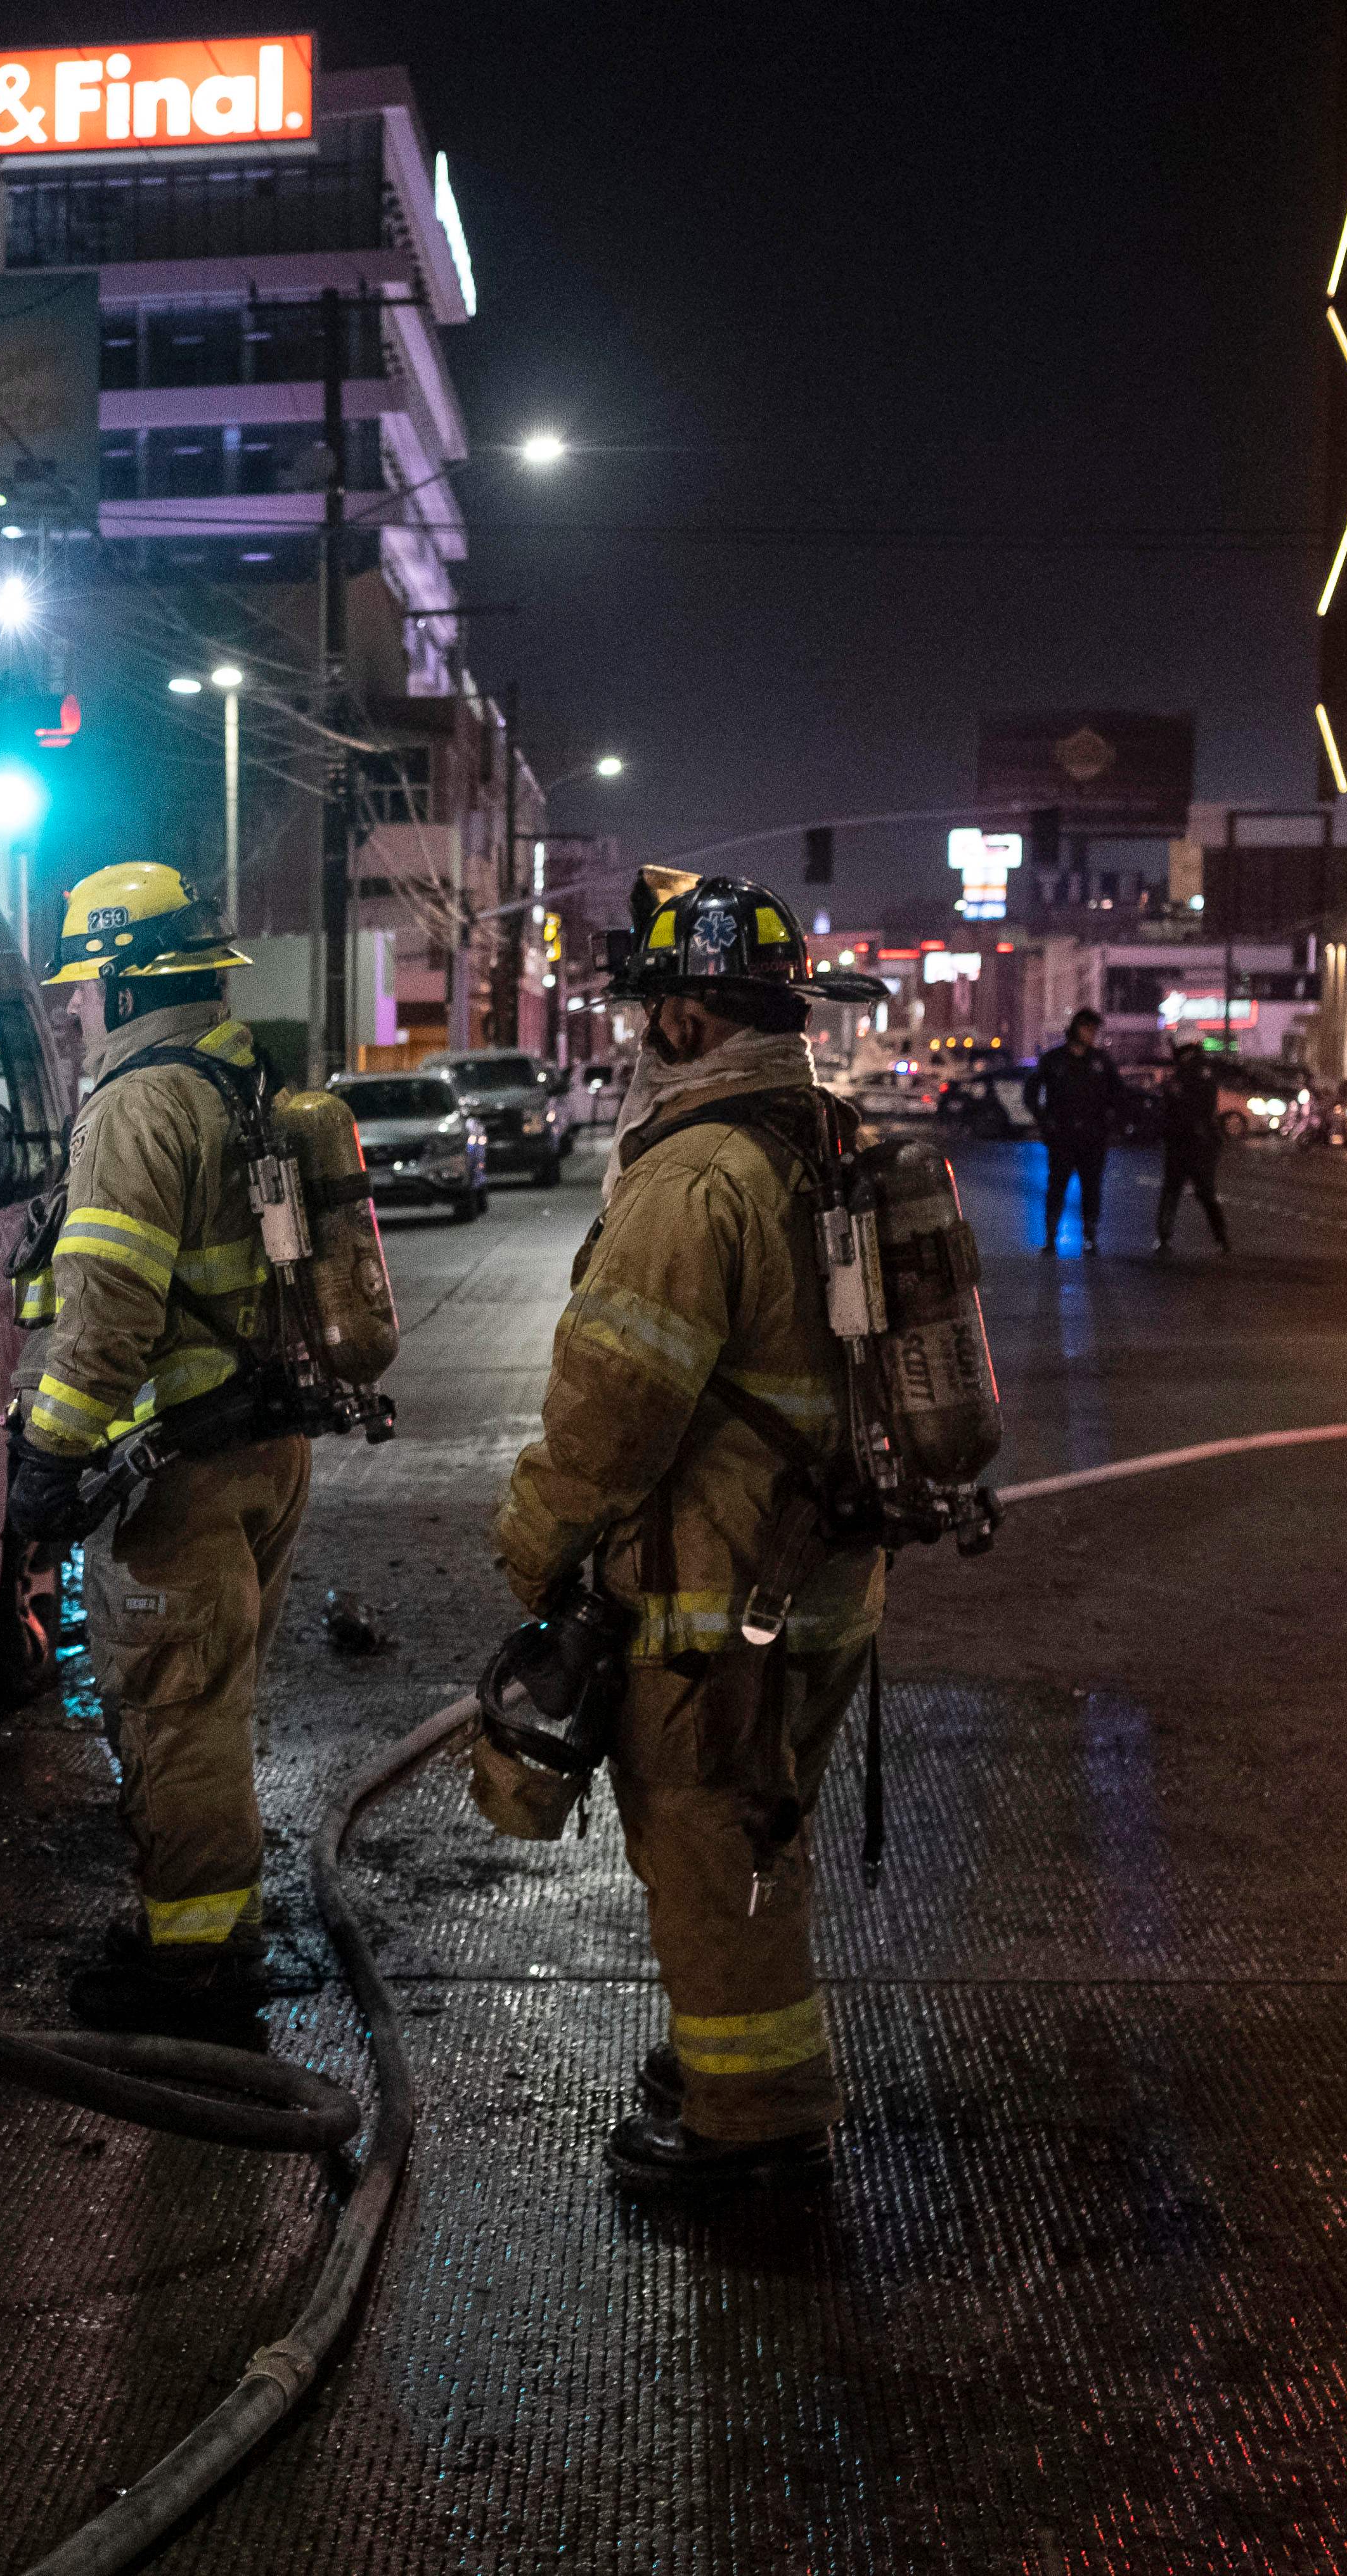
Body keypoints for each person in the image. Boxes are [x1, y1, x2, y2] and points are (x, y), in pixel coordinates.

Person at [492, 869, 889, 2194]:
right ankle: (726, 2065)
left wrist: (532, 1540)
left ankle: (751, 2130)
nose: (637, 1029)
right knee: (759, 1832)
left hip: (719, 1596)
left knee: (710, 1847)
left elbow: (610, 1413)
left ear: (686, 1017)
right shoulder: (828, 1138)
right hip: (826, 1582)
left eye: (651, 1004)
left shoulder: (695, 1177)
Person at [1, 861, 309, 2042]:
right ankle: (207, 1935)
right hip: (260, 1445)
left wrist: (48, 1454)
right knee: (210, 1706)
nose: (74, 1010)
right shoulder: (239, 1074)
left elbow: (112, 1308)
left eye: (84, 989)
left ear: (127, 989)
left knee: (176, 1715)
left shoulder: (137, 1102)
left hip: (176, 1468)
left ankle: (194, 1977)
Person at [1023, 1009, 1122, 1256]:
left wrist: (1110, 1123)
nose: (1091, 1035)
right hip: (1063, 1137)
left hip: (1093, 1137)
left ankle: (1090, 1237)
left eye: (1094, 1030)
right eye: (1088, 1029)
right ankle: (1050, 1235)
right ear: (1076, 1028)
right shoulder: (1054, 1060)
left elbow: (1118, 1093)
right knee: (1057, 1186)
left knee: (1092, 1188)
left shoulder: (1100, 1061)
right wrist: (1045, 1120)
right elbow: (1031, 1091)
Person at [1154, 1043, 1230, 1253]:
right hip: (1190, 1141)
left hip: (1193, 1142)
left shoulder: (1195, 1072)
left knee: (1182, 1191)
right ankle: (1219, 1238)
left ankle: (1166, 1237)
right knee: (1197, 1192)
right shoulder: (1194, 1071)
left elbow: (1196, 1106)